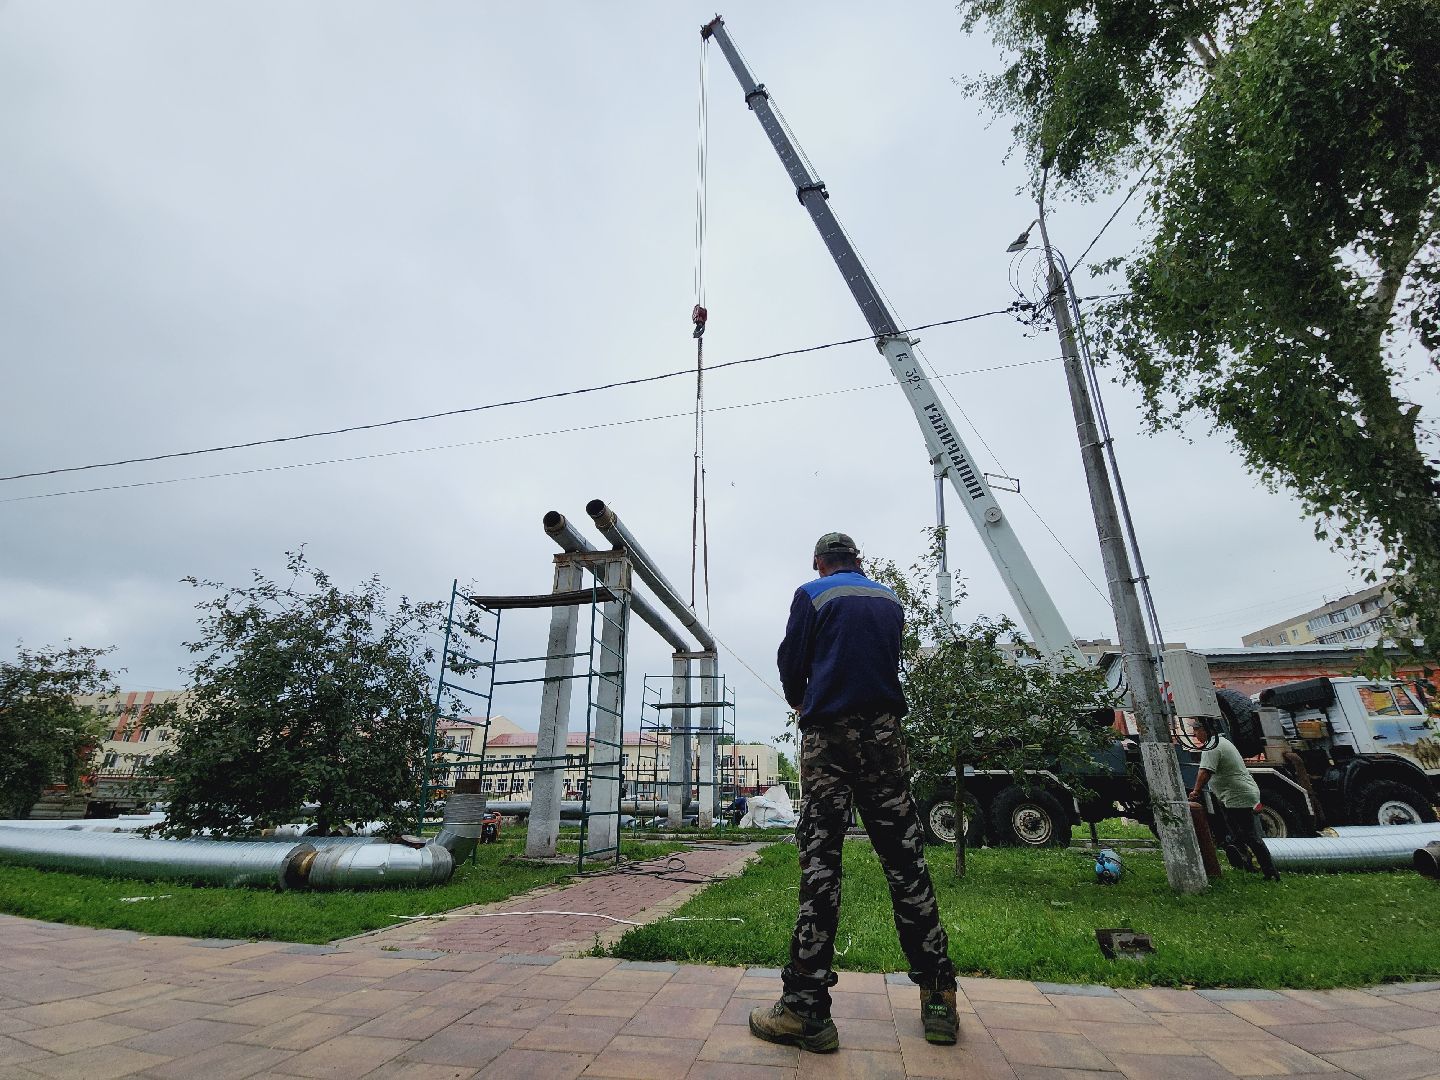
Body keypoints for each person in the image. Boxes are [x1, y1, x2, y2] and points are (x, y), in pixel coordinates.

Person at [749, 531, 958, 1054]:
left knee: (822, 864)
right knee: (907, 864)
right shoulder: (890, 600)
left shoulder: (812, 595)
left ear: (819, 562)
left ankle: (805, 1011)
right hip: (886, 740)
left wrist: (805, 703)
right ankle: (939, 1001)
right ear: (858, 562)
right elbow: (887, 660)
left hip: (830, 740)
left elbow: (792, 665)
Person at [1187, 716, 1280, 881]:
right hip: (1237, 794)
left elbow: (1205, 771)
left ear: (1205, 730)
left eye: (1196, 730)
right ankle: (1248, 866)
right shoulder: (1221, 742)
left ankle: (1270, 872)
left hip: (1237, 796)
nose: (1195, 735)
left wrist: (1195, 791)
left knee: (1249, 835)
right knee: (1238, 835)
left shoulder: (1213, 747)